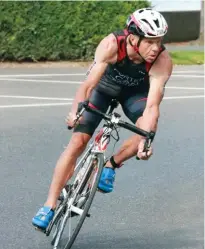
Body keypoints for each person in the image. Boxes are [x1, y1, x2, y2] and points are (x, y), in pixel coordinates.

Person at [32, 8, 173, 230]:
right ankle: (49, 206)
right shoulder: (111, 44)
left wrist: (146, 139)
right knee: (77, 142)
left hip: (134, 95)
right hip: (104, 89)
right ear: (133, 38)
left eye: (160, 41)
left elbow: (153, 105)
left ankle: (111, 164)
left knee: (147, 129)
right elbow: (87, 85)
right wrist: (75, 111)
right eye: (150, 42)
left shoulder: (162, 61)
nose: (156, 48)